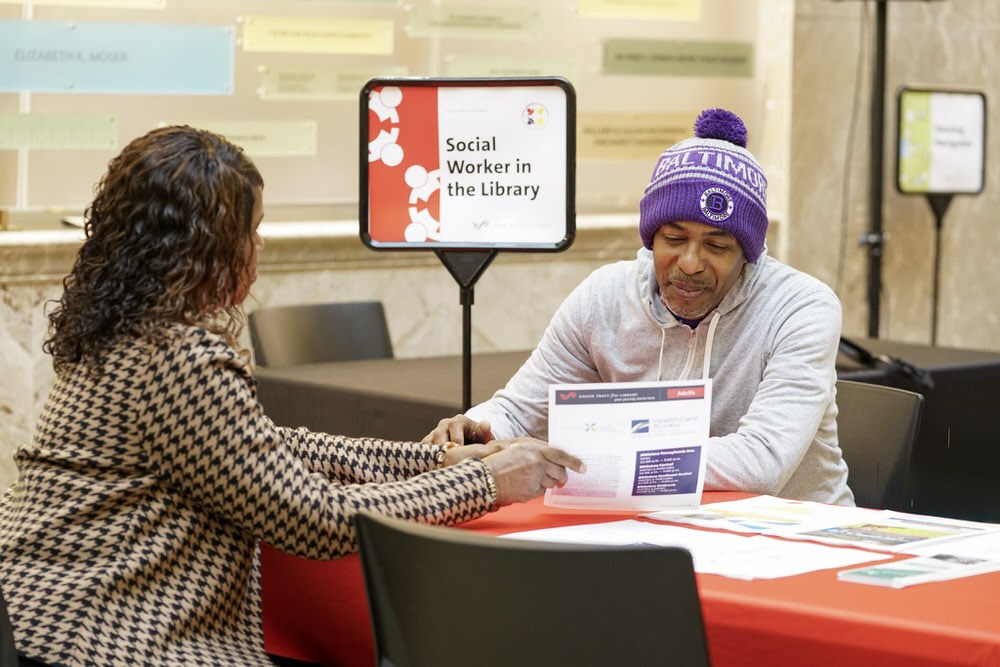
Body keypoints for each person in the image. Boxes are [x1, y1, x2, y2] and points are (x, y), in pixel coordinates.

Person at [0, 126, 584, 667]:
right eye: (251, 230)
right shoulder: (178, 357)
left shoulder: (120, 332)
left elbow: (273, 449)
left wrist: (437, 459)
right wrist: (488, 482)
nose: (259, 247)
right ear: (209, 247)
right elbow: (318, 521)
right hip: (108, 636)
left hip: (46, 615)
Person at [425, 108, 854, 506]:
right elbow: (521, 409)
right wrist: (477, 428)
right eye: (673, 239)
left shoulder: (801, 308)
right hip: (656, 526)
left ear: (749, 253)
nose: (690, 263)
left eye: (717, 246)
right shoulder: (604, 296)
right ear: (650, 239)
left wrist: (606, 457)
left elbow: (762, 462)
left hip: (798, 535)